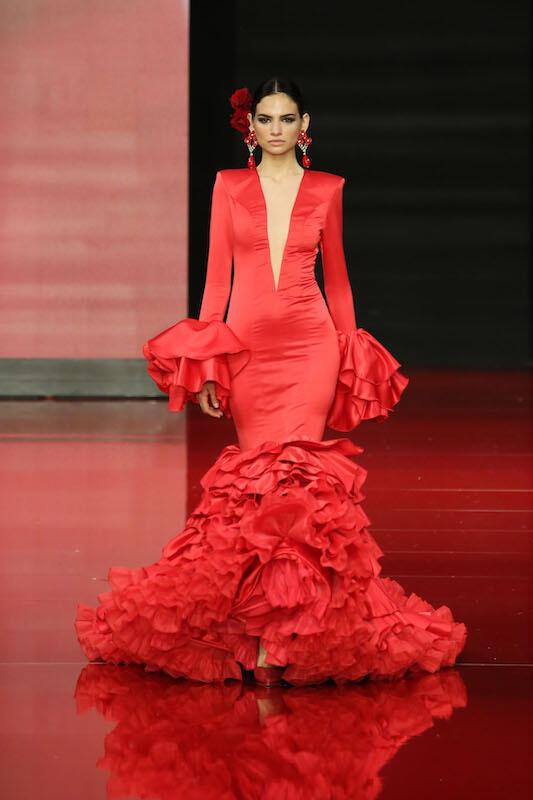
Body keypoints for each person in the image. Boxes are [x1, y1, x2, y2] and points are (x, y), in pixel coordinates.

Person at [75, 76, 467, 687]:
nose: (276, 129)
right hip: (249, 349)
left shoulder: (328, 188)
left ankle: (289, 634)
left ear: (303, 125)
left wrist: (349, 353)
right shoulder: (228, 186)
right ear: (250, 127)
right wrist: (208, 362)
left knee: (303, 480)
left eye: (287, 119)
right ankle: (256, 625)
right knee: (256, 484)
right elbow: (216, 281)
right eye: (266, 118)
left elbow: (338, 280)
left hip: (312, 346)